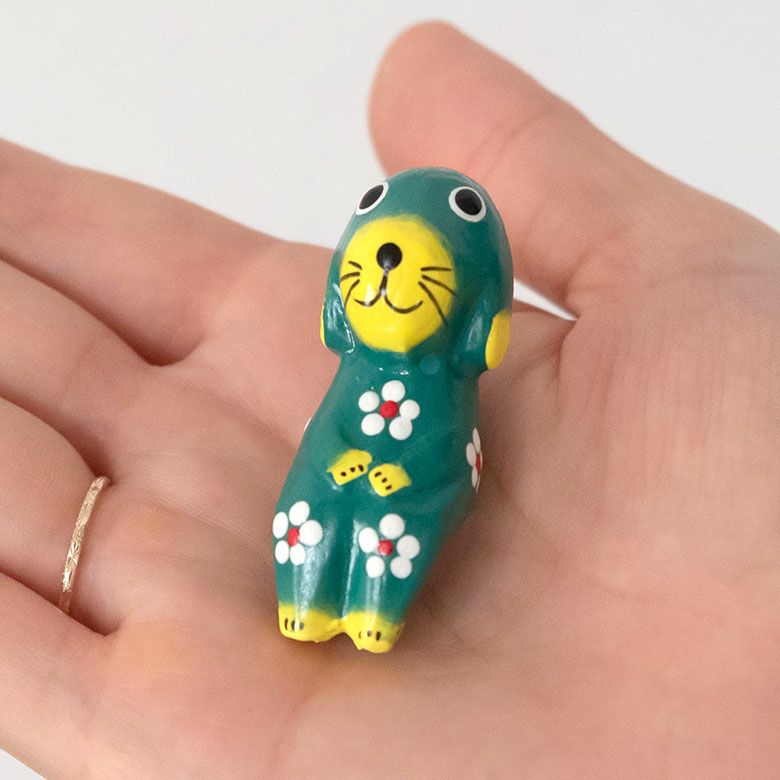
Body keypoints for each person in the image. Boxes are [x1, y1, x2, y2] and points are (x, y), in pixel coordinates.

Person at [0, 21, 776, 777]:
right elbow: (331, 432)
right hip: (343, 463)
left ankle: (375, 608)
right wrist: (334, 466)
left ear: (481, 308)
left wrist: (400, 475)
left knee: (393, 522)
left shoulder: (450, 384)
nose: (389, 261)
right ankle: (307, 599)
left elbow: (441, 450)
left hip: (422, 478)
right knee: (304, 508)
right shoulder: (355, 370)